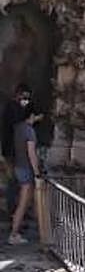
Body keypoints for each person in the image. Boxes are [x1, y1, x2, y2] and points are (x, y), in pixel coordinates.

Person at [8, 101, 40, 244]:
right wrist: (37, 172)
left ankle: (41, 228)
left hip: (18, 167)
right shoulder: (29, 130)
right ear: (32, 115)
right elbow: (31, 153)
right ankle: (14, 234)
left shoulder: (17, 128)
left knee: (30, 201)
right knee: (23, 203)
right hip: (26, 169)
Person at [2, 83, 31, 218]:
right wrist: (31, 121)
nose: (26, 100)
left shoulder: (12, 107)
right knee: (14, 181)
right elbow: (19, 127)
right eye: (25, 97)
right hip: (13, 150)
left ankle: (15, 210)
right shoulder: (13, 108)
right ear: (19, 94)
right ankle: (14, 211)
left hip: (11, 150)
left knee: (14, 181)